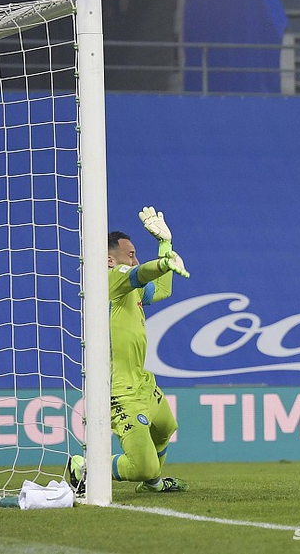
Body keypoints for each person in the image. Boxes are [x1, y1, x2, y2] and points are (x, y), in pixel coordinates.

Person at [67, 206, 191, 494]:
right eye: (131, 254)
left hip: (141, 381)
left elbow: (162, 289)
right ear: (110, 259)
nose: (135, 259)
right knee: (142, 466)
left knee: (165, 427)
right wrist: (163, 263)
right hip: (120, 389)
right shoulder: (108, 279)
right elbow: (143, 272)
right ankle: (84, 467)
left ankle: (153, 485)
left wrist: (166, 245)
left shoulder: (130, 287)